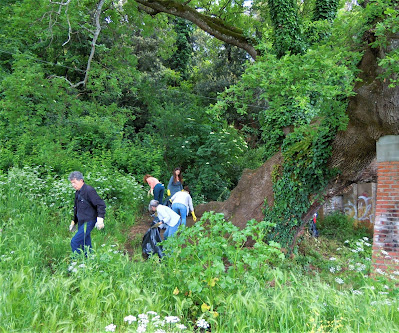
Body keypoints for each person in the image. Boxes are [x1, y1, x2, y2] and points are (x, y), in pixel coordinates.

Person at [68, 171, 106, 255]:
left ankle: (77, 262)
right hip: (81, 221)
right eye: (71, 183)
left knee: (75, 241)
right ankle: (89, 261)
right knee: (85, 243)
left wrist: (100, 219)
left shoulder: (89, 190)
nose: (73, 185)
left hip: (89, 221)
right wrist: (74, 222)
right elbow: (77, 208)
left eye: (74, 182)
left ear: (81, 180)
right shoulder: (77, 192)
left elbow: (100, 204)